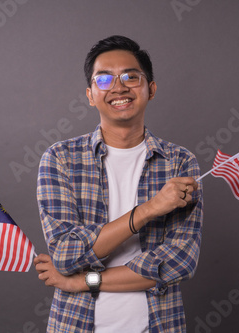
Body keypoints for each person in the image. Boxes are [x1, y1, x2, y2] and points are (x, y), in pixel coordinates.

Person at [34, 35, 203, 333]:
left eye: (130, 76)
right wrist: (149, 210)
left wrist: (83, 281)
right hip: (76, 325)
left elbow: (179, 262)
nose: (118, 87)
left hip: (159, 325)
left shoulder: (179, 162)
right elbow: (65, 255)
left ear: (150, 89)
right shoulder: (60, 158)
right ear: (89, 95)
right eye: (104, 79)